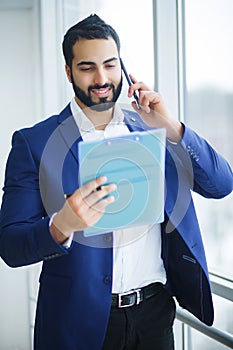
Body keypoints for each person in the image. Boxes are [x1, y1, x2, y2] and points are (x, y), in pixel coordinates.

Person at [0, 14, 232, 350]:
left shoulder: (153, 130)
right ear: (69, 71)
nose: (102, 78)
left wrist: (171, 127)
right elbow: (10, 245)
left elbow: (221, 184)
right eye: (87, 67)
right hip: (76, 322)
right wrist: (61, 225)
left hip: (154, 316)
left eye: (110, 65)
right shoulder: (34, 143)